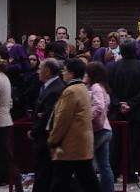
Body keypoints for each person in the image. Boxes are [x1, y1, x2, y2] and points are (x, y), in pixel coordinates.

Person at [48, 58, 100, 192]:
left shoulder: (70, 91)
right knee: (87, 180)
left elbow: (62, 119)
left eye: (65, 70)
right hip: (81, 144)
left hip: (70, 145)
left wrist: (53, 139)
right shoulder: (82, 88)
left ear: (71, 73)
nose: (63, 73)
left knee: (60, 182)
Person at [108, 39, 140, 183]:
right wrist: (131, 104)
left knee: (115, 145)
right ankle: (131, 173)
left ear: (120, 51)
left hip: (117, 112)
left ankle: (113, 173)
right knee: (134, 145)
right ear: (135, 50)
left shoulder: (111, 67)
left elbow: (108, 88)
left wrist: (118, 103)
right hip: (136, 112)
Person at [30, 58, 65, 192]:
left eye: (40, 68)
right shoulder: (47, 87)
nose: (38, 71)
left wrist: (34, 131)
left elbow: (47, 116)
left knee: (44, 173)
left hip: (47, 138)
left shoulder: (55, 89)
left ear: (47, 71)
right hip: (42, 138)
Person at [0, 52, 21, 186]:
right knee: (4, 155)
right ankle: (7, 179)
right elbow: (10, 102)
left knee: (1, 156)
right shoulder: (4, 77)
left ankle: (14, 179)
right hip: (6, 120)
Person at [84, 61, 114, 192]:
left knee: (86, 164)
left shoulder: (95, 87)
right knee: (104, 166)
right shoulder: (103, 87)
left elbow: (99, 106)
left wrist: (86, 118)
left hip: (97, 130)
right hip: (105, 129)